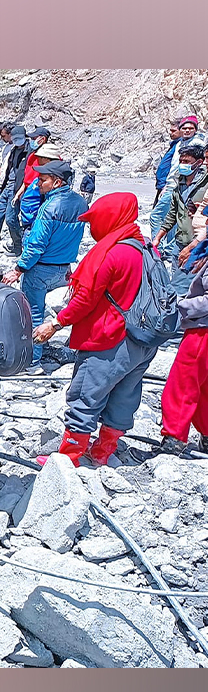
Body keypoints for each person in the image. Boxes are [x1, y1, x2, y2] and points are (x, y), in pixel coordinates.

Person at [32, 193, 157, 467]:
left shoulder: (112, 253)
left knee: (85, 395)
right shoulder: (145, 247)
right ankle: (103, 451)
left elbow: (85, 298)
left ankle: (69, 457)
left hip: (111, 339)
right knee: (126, 393)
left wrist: (56, 323)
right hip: (143, 338)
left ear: (109, 219)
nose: (91, 228)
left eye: (94, 221)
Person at [1, 160, 89, 374]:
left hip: (39, 268)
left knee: (33, 313)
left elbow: (37, 245)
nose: (38, 183)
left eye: (43, 180)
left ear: (57, 182)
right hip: (63, 267)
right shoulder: (80, 203)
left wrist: (19, 269)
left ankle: (32, 362)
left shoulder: (49, 207)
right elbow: (75, 238)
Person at [161, 251, 208, 453]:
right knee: (202, 385)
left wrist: (180, 306)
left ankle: (173, 438)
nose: (192, 217)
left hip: (203, 329)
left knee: (182, 383)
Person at [153, 144, 208, 295]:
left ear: (199, 162)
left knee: (184, 288)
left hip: (197, 243)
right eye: (181, 161)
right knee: (176, 283)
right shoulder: (180, 182)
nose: (183, 165)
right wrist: (158, 238)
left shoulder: (205, 184)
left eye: (187, 161)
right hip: (180, 242)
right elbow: (172, 214)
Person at [151, 116, 204, 245]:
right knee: (176, 217)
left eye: (190, 128)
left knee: (157, 216)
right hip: (171, 185)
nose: (187, 131)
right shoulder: (180, 143)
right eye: (184, 128)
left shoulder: (196, 143)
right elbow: (174, 166)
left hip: (179, 185)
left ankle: (161, 247)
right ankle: (168, 247)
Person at [0, 125, 31, 254]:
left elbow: (29, 174)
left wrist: (21, 191)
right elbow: (7, 168)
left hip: (17, 189)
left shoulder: (30, 151)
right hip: (6, 186)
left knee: (11, 218)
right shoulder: (13, 150)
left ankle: (17, 246)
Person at [15, 142, 64, 237]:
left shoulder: (52, 179)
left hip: (36, 223)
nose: (37, 160)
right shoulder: (44, 174)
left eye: (40, 157)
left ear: (48, 159)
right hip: (32, 221)